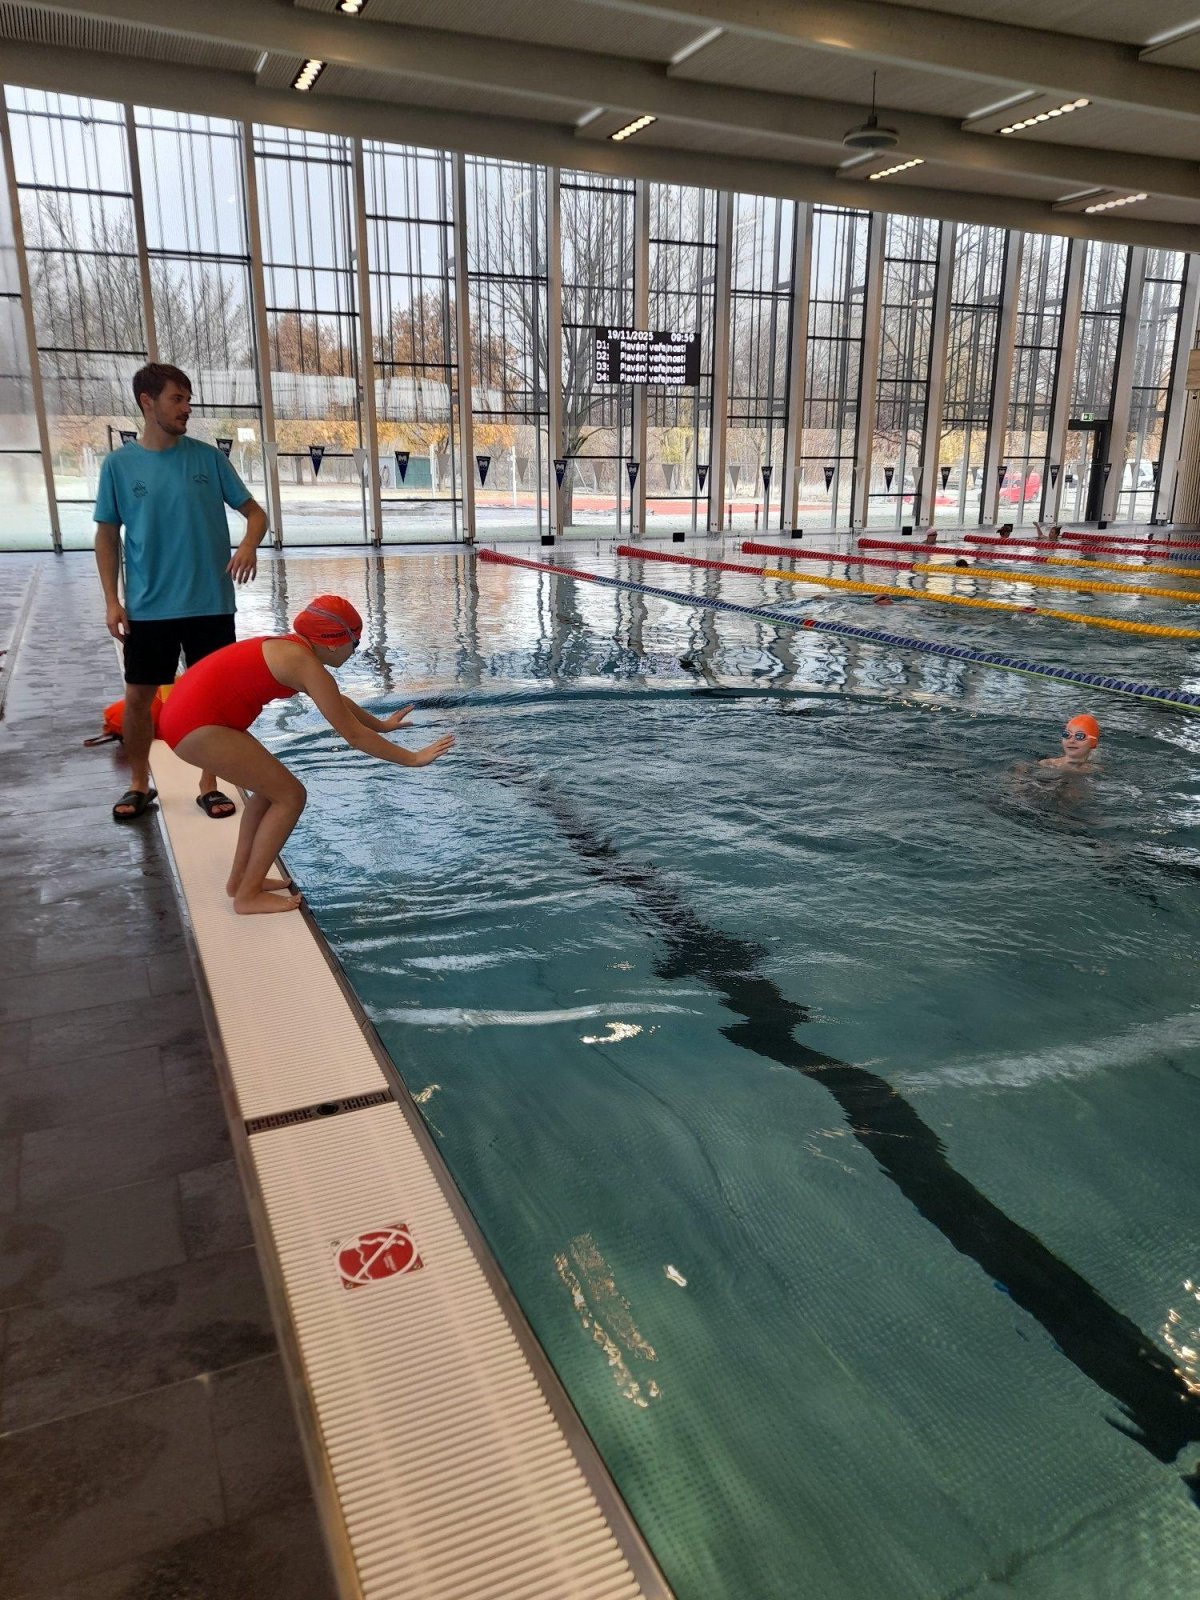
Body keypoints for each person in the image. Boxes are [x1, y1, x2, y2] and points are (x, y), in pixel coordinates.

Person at [158, 595, 454, 915]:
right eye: (355, 644)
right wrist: (412, 758)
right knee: (291, 796)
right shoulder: (304, 664)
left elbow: (334, 700)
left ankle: (242, 879)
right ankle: (248, 896)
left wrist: (381, 725)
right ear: (333, 643)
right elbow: (354, 736)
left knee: (269, 792)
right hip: (197, 726)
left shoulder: (293, 650)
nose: (355, 651)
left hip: (189, 716)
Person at [95, 362, 270, 823]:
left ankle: (210, 783)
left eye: (188, 399)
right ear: (147, 402)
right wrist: (112, 600)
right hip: (149, 607)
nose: (187, 408)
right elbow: (107, 535)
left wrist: (248, 545)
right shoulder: (118, 466)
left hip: (210, 603)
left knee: (213, 700)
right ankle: (139, 783)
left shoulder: (208, 459)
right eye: (177, 399)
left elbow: (255, 513)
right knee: (138, 697)